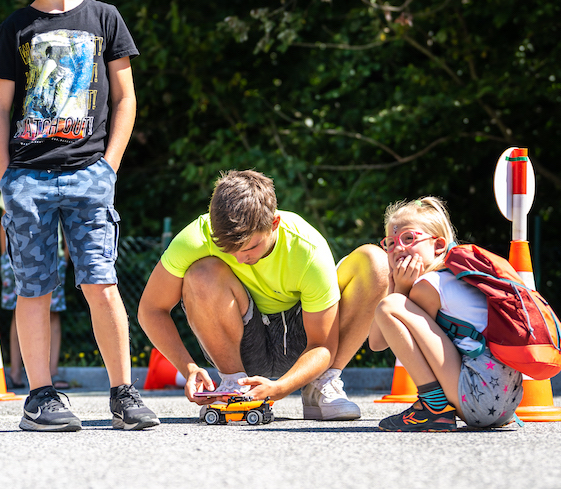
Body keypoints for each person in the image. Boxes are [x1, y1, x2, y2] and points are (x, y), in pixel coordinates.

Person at [0, 0, 158, 432]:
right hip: (28, 179)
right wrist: (7, 177)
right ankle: (40, 398)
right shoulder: (16, 27)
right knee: (33, 289)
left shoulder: (104, 18)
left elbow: (126, 99)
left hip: (89, 175)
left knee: (101, 283)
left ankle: (123, 394)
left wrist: (109, 167)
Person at [138, 170, 388, 420]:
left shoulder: (308, 248)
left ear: (274, 223)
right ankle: (233, 384)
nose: (239, 259)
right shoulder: (197, 236)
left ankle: (321, 383)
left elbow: (322, 345)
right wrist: (189, 368)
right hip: (242, 346)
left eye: (250, 247)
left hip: (303, 345)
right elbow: (151, 309)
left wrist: (281, 388)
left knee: (376, 263)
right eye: (228, 249)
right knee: (202, 273)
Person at [369, 197, 524, 432]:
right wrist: (396, 290)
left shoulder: (429, 286)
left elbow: (378, 341)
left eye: (409, 238)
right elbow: (377, 343)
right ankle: (437, 406)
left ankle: (434, 408)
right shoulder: (455, 277)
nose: (398, 248)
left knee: (390, 306)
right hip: (504, 404)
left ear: (439, 245)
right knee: (391, 305)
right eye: (390, 242)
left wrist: (397, 293)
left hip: (478, 396)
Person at [0, 195, 69, 391]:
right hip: (20, 254)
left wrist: (66, 254)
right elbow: (5, 217)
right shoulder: (14, 179)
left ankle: (52, 372)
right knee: (19, 312)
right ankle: (15, 373)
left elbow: (66, 216)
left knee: (53, 313)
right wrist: (5, 256)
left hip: (54, 255)